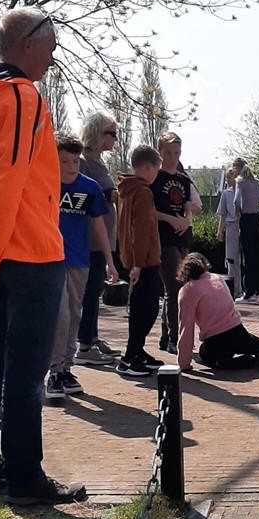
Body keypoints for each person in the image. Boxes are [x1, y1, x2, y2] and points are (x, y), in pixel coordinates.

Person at [0, 6, 86, 504]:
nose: (53, 55)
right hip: (30, 254)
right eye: (50, 45)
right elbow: (10, 181)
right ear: (27, 43)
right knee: (25, 372)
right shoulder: (23, 97)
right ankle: (26, 479)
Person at [45, 133, 118, 399]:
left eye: (75, 161)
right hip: (50, 260)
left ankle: (66, 368)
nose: (71, 167)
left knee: (75, 314)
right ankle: (53, 372)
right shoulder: (44, 184)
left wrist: (110, 262)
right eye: (64, 161)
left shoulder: (89, 188)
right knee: (61, 314)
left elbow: (99, 225)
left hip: (80, 259)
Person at [176, 252, 259, 371]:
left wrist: (183, 364)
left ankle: (241, 361)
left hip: (215, 339)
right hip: (237, 330)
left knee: (205, 353)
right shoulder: (217, 279)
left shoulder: (187, 291)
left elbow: (186, 328)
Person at [75, 110, 122, 364]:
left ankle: (91, 337)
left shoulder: (100, 162)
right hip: (89, 237)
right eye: (111, 133)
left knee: (95, 289)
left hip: (103, 235)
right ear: (97, 133)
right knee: (90, 290)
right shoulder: (82, 162)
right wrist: (109, 196)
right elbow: (82, 198)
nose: (115, 138)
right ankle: (84, 345)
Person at [116, 145, 165, 377]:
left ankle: (135, 351)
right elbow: (142, 229)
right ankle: (131, 354)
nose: (156, 174)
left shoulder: (126, 190)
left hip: (132, 257)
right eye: (156, 169)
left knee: (139, 307)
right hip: (144, 260)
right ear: (147, 168)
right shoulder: (143, 192)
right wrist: (137, 263)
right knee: (146, 309)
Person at [153, 131, 201, 354]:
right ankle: (175, 338)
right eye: (168, 152)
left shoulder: (183, 179)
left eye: (176, 152)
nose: (172, 157)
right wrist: (170, 218)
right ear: (160, 152)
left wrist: (185, 215)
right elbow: (147, 210)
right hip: (164, 238)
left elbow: (195, 205)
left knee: (176, 288)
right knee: (175, 287)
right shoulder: (155, 177)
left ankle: (166, 337)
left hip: (183, 235)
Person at [235, 161, 259, 301]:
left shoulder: (240, 182)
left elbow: (237, 200)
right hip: (257, 220)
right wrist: (258, 210)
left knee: (249, 257)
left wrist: (239, 210)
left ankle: (249, 292)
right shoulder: (257, 183)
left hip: (246, 220)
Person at [216, 164, 245, 301]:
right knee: (232, 259)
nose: (228, 180)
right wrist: (219, 232)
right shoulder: (226, 194)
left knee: (245, 259)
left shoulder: (243, 190)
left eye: (230, 177)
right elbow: (222, 214)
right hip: (231, 226)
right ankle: (235, 289)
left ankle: (248, 289)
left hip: (244, 225)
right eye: (226, 177)